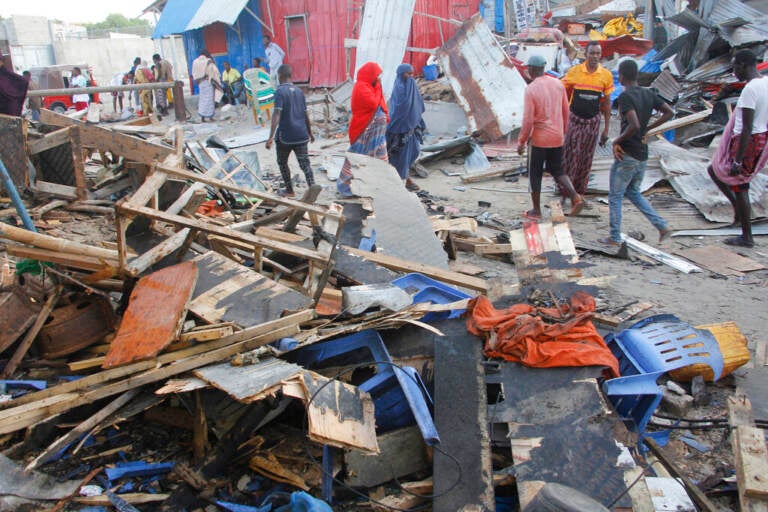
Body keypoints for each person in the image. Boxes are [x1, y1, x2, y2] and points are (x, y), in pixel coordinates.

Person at [599, 59, 673, 246]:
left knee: (615, 195)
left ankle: (614, 237)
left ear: (622, 77)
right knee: (633, 192)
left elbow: (633, 124)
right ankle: (661, 225)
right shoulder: (648, 93)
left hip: (627, 153)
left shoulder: (626, 97)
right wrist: (648, 129)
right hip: (641, 153)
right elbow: (668, 112)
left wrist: (618, 140)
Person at [708, 49, 768, 248]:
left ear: (743, 65)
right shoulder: (764, 83)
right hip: (757, 137)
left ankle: (746, 236)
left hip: (747, 141)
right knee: (716, 170)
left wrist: (738, 159)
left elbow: (747, 127)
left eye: (735, 66)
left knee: (740, 186)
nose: (734, 71)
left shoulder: (750, 90)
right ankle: (739, 215)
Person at [517, 55, 585, 220]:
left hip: (540, 139)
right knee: (557, 170)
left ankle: (536, 210)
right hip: (557, 136)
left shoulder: (531, 89)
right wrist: (563, 132)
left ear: (532, 70)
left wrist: (521, 141)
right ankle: (575, 197)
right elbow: (565, 111)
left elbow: (528, 120)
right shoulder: (557, 84)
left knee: (535, 174)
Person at [560, 41, 614, 197]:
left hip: (592, 123)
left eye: (598, 53)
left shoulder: (605, 75)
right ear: (586, 54)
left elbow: (607, 104)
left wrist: (606, 129)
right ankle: (566, 192)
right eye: (592, 53)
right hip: (575, 120)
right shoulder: (575, 72)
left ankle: (579, 193)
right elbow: (563, 93)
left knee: (586, 158)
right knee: (570, 156)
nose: (595, 56)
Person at [337, 61, 389, 196]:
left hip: (377, 134)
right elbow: (372, 103)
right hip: (363, 130)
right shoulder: (361, 87)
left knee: (381, 159)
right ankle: (345, 187)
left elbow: (382, 104)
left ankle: (377, 187)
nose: (379, 78)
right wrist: (378, 88)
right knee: (357, 157)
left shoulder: (374, 87)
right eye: (377, 75)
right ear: (370, 74)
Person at [265, 65, 315, 197]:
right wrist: (310, 133)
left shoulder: (280, 92)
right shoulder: (299, 91)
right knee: (305, 164)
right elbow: (306, 115)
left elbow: (277, 114)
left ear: (280, 75)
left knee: (282, 162)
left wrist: (270, 137)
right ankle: (312, 188)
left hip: (285, 136)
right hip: (301, 135)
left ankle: (290, 190)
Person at [386, 63, 426, 192]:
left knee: (413, 152)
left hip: (411, 127)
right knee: (398, 156)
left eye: (411, 74)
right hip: (398, 129)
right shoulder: (398, 87)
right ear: (401, 74)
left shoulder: (411, 86)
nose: (410, 77)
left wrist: (415, 118)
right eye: (407, 74)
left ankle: (404, 178)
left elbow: (418, 104)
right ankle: (403, 181)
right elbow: (398, 108)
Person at [192, 50, 222, 122]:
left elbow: (194, 73)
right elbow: (214, 71)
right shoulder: (208, 61)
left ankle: (202, 117)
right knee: (209, 100)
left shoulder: (195, 62)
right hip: (208, 82)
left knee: (202, 99)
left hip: (200, 83)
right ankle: (210, 117)